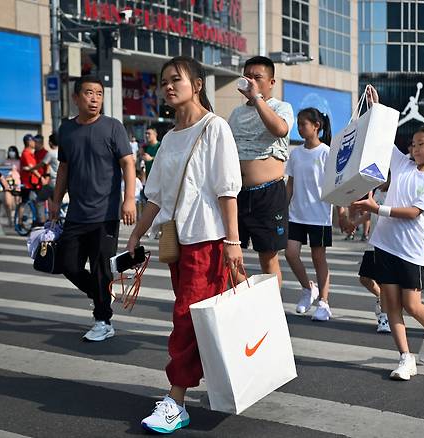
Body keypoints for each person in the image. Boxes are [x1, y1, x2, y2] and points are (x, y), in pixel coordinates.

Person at [126, 56, 242, 435]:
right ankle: (215, 383)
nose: (168, 86)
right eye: (163, 82)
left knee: (185, 319)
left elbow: (227, 189)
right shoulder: (171, 138)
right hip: (180, 242)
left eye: (176, 79)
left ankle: (175, 401)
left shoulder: (215, 128)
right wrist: (135, 234)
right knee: (197, 321)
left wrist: (233, 241)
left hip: (209, 240)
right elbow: (155, 196)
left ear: (197, 85)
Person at [353, 115, 424, 380]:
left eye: (420, 144)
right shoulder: (401, 163)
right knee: (391, 305)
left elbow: (415, 212)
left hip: (410, 251)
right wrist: (374, 108)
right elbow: (383, 136)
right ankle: (405, 358)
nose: (413, 149)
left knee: (412, 305)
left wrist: (376, 208)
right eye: (412, 144)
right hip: (384, 245)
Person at [50, 75, 136, 342]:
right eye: (89, 93)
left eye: (99, 93)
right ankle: (100, 294)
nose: (95, 98)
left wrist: (129, 199)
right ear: (76, 97)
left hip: (105, 214)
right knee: (67, 264)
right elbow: (64, 168)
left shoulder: (113, 127)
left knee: (100, 269)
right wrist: (55, 200)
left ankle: (103, 320)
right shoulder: (66, 130)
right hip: (76, 213)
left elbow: (128, 164)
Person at [228, 56, 294, 288]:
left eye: (258, 77)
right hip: (237, 194)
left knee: (268, 256)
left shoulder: (281, 107)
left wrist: (256, 98)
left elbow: (279, 129)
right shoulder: (235, 113)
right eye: (248, 77)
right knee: (229, 253)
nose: (251, 82)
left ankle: (270, 312)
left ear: (271, 82)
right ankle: (248, 298)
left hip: (268, 194)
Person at [285, 108, 335, 320]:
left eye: (303, 123)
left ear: (317, 126)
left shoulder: (326, 152)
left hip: (320, 215)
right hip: (296, 213)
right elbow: (290, 183)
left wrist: (342, 211)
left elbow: (334, 185)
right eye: (298, 123)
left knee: (318, 258)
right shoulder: (295, 153)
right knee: (290, 253)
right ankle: (308, 288)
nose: (300, 127)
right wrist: (281, 209)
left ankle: (323, 302)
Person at [355, 185, 391, 333]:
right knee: (364, 278)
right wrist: (354, 224)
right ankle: (380, 298)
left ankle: (385, 317)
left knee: (384, 282)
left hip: (387, 243)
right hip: (373, 242)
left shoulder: (394, 191)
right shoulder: (376, 191)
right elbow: (371, 213)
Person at [2, 146, 20, 226]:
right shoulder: (6, 161)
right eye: (10, 151)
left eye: (13, 151)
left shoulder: (19, 161)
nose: (11, 152)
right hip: (8, 184)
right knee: (7, 203)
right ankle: (10, 220)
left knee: (18, 203)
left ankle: (18, 220)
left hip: (17, 184)